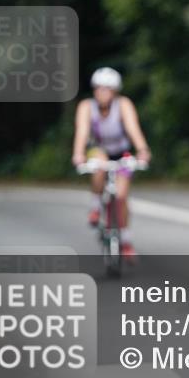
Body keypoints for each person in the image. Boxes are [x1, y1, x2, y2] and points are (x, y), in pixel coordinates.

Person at [71, 67, 152, 262]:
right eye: (98, 89)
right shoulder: (86, 106)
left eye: (106, 89)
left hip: (121, 153)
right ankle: (95, 206)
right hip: (99, 149)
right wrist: (78, 154)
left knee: (121, 197)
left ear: (115, 91)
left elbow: (133, 128)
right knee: (99, 163)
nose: (101, 93)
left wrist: (142, 150)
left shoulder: (123, 105)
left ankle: (125, 241)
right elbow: (82, 131)